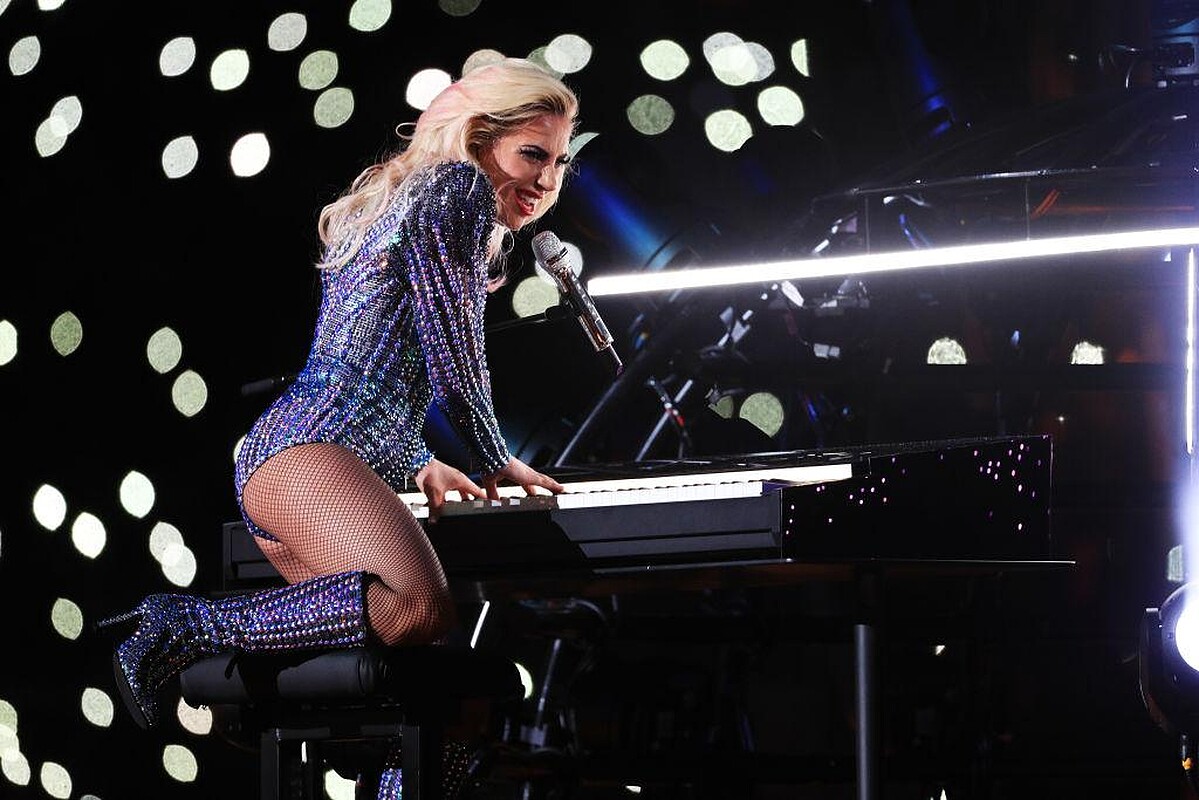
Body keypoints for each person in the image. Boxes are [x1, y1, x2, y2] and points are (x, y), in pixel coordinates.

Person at [98, 56, 575, 797]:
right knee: (419, 608)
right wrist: (494, 456)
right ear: (480, 138)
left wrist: (416, 459)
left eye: (560, 163)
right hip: (306, 455)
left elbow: (371, 358)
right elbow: (451, 354)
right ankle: (182, 624)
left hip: (304, 463)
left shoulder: (422, 197)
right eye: (533, 154)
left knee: (443, 706)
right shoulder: (455, 187)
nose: (546, 180)